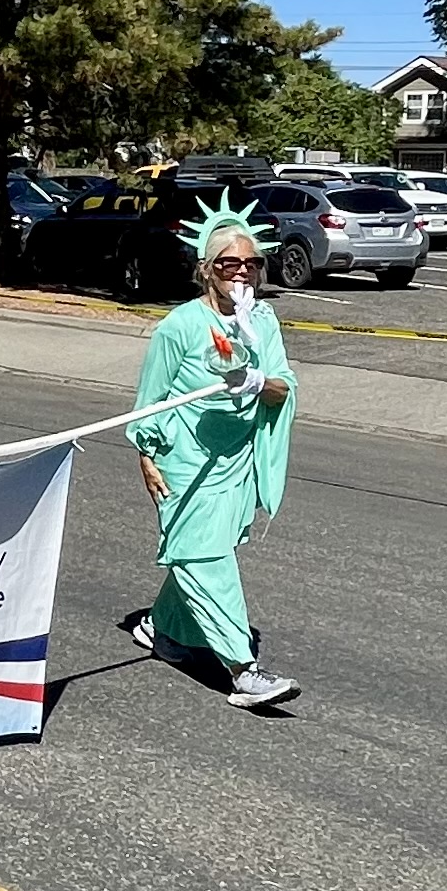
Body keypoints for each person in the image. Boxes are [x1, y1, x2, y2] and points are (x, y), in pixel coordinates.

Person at [126, 194, 300, 710]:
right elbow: (149, 402)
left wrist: (255, 381)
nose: (241, 272)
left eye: (251, 263)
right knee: (205, 558)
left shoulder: (262, 321)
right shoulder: (178, 327)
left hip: (236, 461)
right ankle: (244, 670)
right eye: (229, 263)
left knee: (201, 553)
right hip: (184, 464)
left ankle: (166, 629)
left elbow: (283, 387)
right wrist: (146, 454)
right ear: (206, 270)